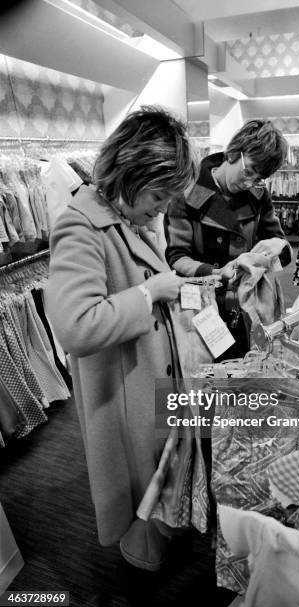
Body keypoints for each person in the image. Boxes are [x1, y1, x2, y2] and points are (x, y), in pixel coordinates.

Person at [45, 106, 196, 571]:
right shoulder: (81, 225)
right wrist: (149, 292)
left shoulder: (130, 217)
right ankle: (140, 550)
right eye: (158, 194)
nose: (163, 207)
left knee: (163, 463)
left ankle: (157, 535)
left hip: (151, 375)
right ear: (130, 173)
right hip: (126, 387)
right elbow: (75, 324)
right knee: (137, 482)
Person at [164, 119, 291, 358]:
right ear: (234, 153)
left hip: (250, 298)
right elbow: (176, 256)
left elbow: (277, 240)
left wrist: (280, 244)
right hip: (205, 301)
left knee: (252, 365)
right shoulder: (187, 193)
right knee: (211, 375)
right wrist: (215, 271)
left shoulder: (258, 194)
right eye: (249, 171)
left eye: (259, 178)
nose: (249, 182)